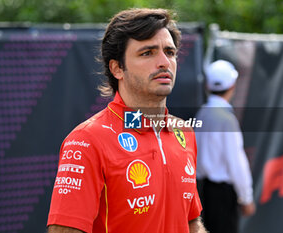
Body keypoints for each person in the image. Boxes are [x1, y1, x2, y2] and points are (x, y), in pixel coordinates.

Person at [47, 8, 207, 233]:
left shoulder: (184, 132)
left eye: (170, 52)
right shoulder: (86, 140)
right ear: (117, 68)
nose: (164, 62)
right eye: (147, 53)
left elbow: (192, 223)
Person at [195, 60, 256, 233]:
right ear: (232, 85)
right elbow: (236, 163)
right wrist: (246, 198)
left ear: (208, 85)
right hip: (222, 194)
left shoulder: (202, 113)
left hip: (203, 191)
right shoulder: (227, 120)